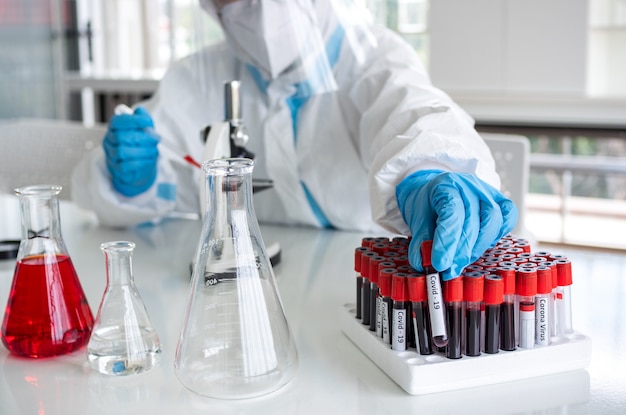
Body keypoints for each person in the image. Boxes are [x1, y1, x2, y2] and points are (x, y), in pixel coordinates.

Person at [72, 0, 517, 281]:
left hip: (367, 284)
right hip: (258, 297)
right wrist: (126, 180)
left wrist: (434, 169)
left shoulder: (371, 55)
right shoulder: (201, 76)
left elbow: (416, 111)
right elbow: (127, 193)